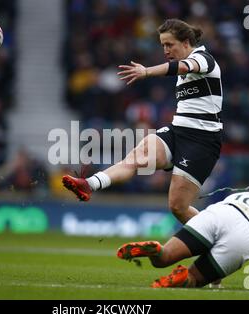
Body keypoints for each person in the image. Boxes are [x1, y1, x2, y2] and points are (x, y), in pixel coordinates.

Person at [62, 18, 223, 224]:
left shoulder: (204, 59)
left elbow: (182, 67)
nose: (165, 50)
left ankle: (218, 235)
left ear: (185, 43)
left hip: (202, 141)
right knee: (137, 158)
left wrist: (146, 71)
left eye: (169, 44)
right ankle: (89, 184)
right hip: (178, 131)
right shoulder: (188, 64)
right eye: (163, 45)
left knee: (178, 206)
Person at [116, 182, 249, 288]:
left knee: (164, 258)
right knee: (193, 279)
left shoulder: (246, 193)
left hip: (220, 212)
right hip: (246, 232)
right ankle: (183, 277)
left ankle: (157, 250)